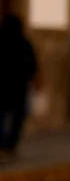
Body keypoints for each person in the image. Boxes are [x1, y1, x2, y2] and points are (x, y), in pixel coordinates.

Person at [0, 14, 38, 160]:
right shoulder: (24, 42)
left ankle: (2, 143)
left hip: (2, 86)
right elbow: (32, 65)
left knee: (2, 115)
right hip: (18, 86)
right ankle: (10, 145)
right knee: (17, 117)